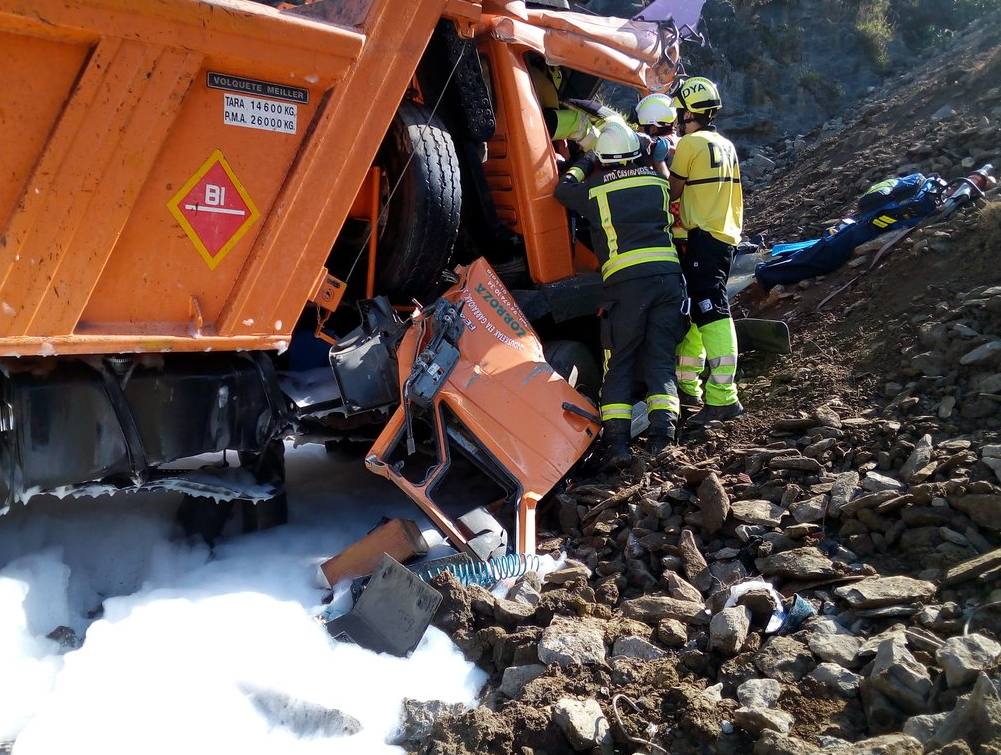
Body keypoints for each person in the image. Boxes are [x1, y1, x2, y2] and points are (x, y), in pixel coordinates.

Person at [554, 121, 689, 467]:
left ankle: (616, 445)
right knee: (660, 359)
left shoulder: (596, 190)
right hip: (669, 280)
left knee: (620, 363)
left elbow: (562, 189)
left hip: (626, 287)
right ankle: (663, 438)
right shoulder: (658, 184)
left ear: (605, 158)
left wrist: (586, 162)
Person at [668, 76, 744, 426]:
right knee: (701, 306)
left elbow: (673, 189)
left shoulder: (690, 144)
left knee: (711, 308)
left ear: (689, 113)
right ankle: (690, 387)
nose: (677, 118)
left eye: (680, 112)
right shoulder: (725, 144)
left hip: (704, 237)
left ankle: (723, 398)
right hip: (723, 236)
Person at [634, 92, 679, 179]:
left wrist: (658, 161)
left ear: (653, 128)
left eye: (640, 126)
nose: (638, 129)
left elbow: (669, 186)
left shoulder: (656, 146)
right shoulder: (679, 140)